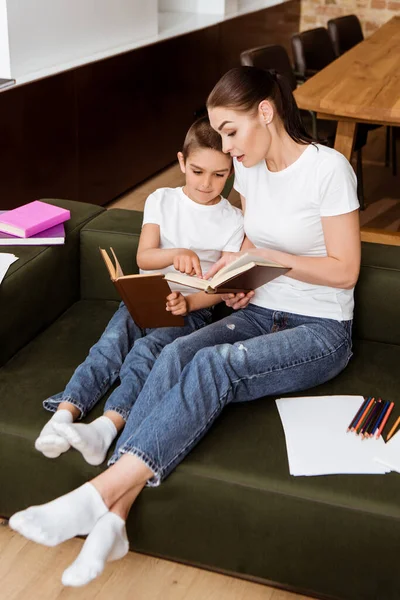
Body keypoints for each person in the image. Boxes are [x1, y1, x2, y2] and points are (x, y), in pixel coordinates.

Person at [10, 66, 360, 588]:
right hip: (260, 309)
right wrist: (225, 282)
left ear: (265, 112)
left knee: (215, 364)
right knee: (175, 354)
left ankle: (99, 497)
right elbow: (247, 250)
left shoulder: (328, 169)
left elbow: (344, 270)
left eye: (231, 132)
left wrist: (270, 256)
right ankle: (116, 521)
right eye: (219, 136)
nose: (227, 147)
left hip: (320, 329)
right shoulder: (253, 171)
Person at [34, 115, 244, 466]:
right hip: (143, 294)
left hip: (189, 310)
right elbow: (144, 255)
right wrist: (178, 253)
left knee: (146, 353)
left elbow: (223, 287)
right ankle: (64, 414)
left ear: (232, 170)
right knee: (109, 344)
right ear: (181, 162)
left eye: (219, 175)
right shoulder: (161, 199)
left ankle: (107, 427)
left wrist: (189, 302)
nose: (207, 184)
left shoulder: (233, 220)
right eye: (197, 171)